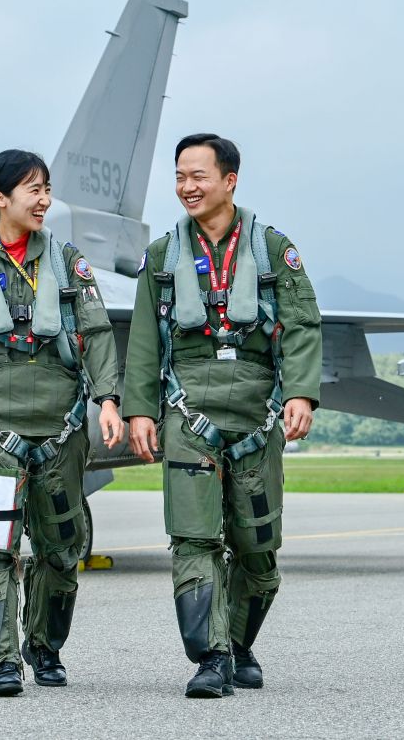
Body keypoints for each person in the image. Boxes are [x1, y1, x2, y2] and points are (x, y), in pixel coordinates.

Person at [122, 133, 322, 698]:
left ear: (230, 181)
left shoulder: (273, 250)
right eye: (180, 177)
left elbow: (302, 324)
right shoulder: (162, 257)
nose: (187, 187)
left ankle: (237, 643)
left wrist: (300, 393)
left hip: (257, 410)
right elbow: (143, 341)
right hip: (189, 410)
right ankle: (209, 658)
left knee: (258, 547)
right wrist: (140, 409)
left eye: (198, 177)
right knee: (194, 540)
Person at [0, 148, 124, 697]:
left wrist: (107, 399)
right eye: (33, 190)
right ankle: (2, 662)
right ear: (1, 199)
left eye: (47, 189)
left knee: (62, 548)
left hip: (62, 430)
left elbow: (97, 333)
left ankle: (45, 648)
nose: (44, 200)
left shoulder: (68, 263)